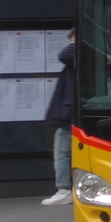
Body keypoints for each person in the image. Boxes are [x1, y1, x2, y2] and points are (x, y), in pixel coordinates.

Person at [41, 27, 75, 206]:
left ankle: (63, 189)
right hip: (72, 114)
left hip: (69, 115)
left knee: (61, 153)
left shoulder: (77, 53)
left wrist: (76, 40)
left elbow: (64, 54)